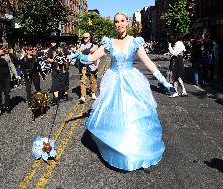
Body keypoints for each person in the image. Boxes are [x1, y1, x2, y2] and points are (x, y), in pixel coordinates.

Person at [70, 12, 174, 172]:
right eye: (116, 21)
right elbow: (91, 59)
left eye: (122, 21)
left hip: (131, 81)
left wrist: (164, 81)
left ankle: (140, 153)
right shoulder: (108, 42)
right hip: (113, 81)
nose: (119, 24)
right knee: (116, 118)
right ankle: (120, 151)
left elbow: (148, 63)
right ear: (114, 24)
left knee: (135, 117)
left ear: (127, 23)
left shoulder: (135, 42)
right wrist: (77, 55)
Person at [0, 46, 19, 115]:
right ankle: (0, 106)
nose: (3, 50)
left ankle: (7, 105)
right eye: (1, 49)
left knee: (7, 93)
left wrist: (16, 74)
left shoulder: (6, 56)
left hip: (7, 77)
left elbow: (11, 65)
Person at [77, 32, 100, 103]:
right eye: (84, 37)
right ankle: (83, 96)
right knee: (83, 81)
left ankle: (92, 92)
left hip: (91, 65)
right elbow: (78, 53)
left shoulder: (94, 45)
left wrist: (97, 66)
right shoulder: (81, 45)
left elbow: (97, 54)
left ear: (89, 38)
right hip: (83, 65)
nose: (85, 39)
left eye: (86, 37)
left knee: (92, 80)